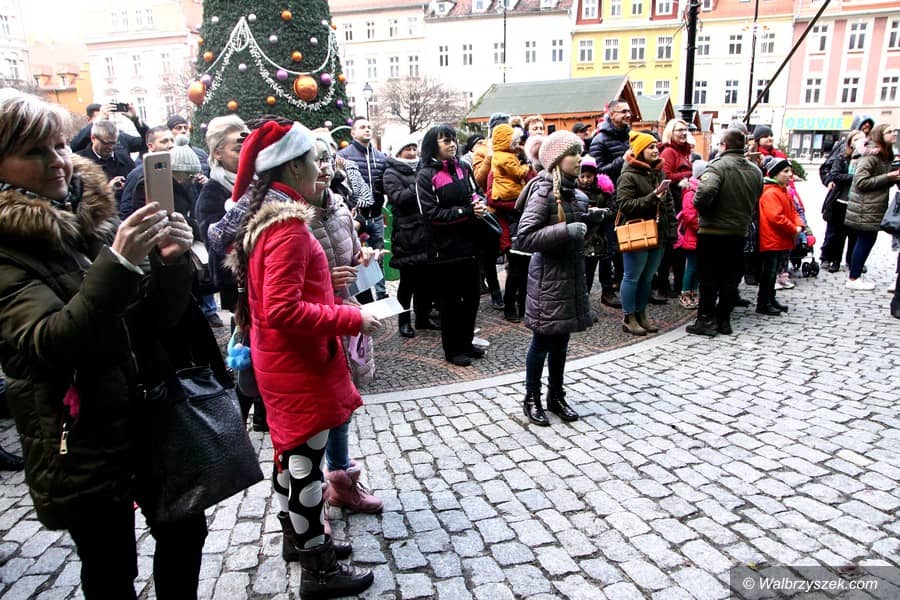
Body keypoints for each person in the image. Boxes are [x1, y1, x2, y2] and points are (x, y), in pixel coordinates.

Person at [0, 89, 204, 598]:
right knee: (111, 566)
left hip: (147, 411)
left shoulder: (89, 212)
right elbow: (49, 342)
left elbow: (155, 319)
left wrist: (171, 263)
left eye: (58, 145)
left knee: (185, 528)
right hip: (78, 433)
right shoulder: (8, 248)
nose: (57, 161)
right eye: (34, 152)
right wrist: (120, 263)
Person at [228, 120, 377, 598]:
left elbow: (275, 298)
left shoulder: (269, 220)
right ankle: (319, 568)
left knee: (290, 459)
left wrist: (325, 285)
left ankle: (300, 541)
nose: (320, 168)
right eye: (313, 159)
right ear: (292, 167)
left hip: (282, 362)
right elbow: (282, 309)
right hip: (298, 365)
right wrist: (352, 318)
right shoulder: (288, 228)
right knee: (305, 467)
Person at [517, 131, 601, 426]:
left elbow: (577, 238)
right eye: (573, 154)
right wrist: (566, 230)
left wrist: (590, 224)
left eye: (580, 152)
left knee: (562, 341)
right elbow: (525, 237)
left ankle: (556, 395)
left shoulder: (578, 195)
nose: (580, 159)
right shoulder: (543, 193)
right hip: (547, 281)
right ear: (556, 160)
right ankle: (531, 398)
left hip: (571, 277)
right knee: (542, 341)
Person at [416, 124, 486, 367]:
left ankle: (466, 342)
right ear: (433, 145)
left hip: (470, 245)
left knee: (472, 298)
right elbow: (431, 214)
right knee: (450, 302)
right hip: (444, 250)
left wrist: (478, 204)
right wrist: (466, 212)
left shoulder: (463, 167)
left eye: (453, 139)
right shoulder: (426, 175)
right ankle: (453, 348)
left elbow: (474, 193)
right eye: (446, 140)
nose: (452, 144)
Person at [686, 129, 763, 337]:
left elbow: (705, 191)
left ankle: (705, 319)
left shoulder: (718, 167)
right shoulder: (755, 171)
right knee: (730, 278)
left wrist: (699, 205)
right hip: (738, 231)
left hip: (713, 230)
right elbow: (757, 198)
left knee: (708, 278)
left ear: (724, 145)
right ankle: (723, 320)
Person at [616, 131, 677, 336]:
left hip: (658, 233)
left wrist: (671, 230)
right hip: (637, 232)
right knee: (632, 277)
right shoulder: (628, 175)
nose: (655, 150)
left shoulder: (659, 172)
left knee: (647, 278)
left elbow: (669, 204)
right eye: (650, 147)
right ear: (640, 151)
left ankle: (641, 313)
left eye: (655, 146)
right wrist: (653, 197)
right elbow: (625, 205)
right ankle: (629, 317)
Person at [384, 137, 434, 337]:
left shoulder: (422, 168)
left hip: (426, 233)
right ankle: (404, 321)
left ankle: (423, 318)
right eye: (408, 149)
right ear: (399, 152)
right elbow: (397, 198)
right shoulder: (391, 173)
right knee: (408, 283)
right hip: (407, 235)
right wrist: (419, 186)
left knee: (426, 281)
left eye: (414, 148)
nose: (413, 153)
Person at [844, 124, 900, 290]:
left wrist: (891, 178)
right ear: (880, 135)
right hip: (865, 206)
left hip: (873, 206)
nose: (893, 134)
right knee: (864, 241)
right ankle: (853, 278)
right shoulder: (870, 155)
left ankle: (855, 275)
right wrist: (888, 177)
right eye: (889, 132)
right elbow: (861, 182)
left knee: (866, 240)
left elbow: (881, 182)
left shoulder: (885, 154)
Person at [338, 117, 388, 299]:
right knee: (356, 258)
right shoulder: (343, 156)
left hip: (376, 215)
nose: (367, 130)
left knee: (378, 255)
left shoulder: (381, 157)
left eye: (369, 127)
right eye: (362, 127)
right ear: (353, 132)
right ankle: (362, 298)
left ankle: (381, 294)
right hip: (355, 218)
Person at [491, 123, 533, 312]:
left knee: (525, 270)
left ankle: (523, 306)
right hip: (511, 225)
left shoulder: (512, 158)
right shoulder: (503, 162)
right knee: (516, 270)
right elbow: (493, 199)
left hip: (522, 222)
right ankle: (510, 307)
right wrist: (518, 205)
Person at [757, 157, 803, 315]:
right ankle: (764, 302)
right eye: (786, 171)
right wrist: (794, 228)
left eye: (790, 171)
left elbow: (794, 211)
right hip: (772, 240)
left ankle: (770, 299)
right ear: (775, 174)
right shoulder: (771, 193)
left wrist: (799, 224)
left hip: (781, 239)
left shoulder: (783, 191)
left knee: (773, 272)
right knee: (769, 274)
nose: (790, 174)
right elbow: (776, 217)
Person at [656, 118, 694, 302]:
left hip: (682, 202)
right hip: (672, 204)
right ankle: (664, 286)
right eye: (679, 130)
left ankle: (678, 284)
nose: (683, 133)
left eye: (685, 129)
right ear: (671, 132)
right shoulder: (669, 151)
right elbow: (667, 176)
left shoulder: (685, 152)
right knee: (670, 248)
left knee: (679, 247)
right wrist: (689, 174)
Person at [577, 156, 618, 308]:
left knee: (606, 265)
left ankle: (607, 292)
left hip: (602, 235)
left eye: (589, 176)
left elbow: (613, 210)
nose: (585, 180)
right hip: (585, 237)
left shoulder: (603, 192)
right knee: (587, 269)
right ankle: (584, 299)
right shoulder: (575, 192)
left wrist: (601, 213)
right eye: (582, 176)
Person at [821, 130, 864, 273]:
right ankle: (835, 260)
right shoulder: (842, 158)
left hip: (857, 202)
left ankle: (852, 261)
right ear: (850, 142)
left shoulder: (866, 159)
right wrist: (854, 177)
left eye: (862, 139)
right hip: (840, 200)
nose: (859, 142)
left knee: (854, 235)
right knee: (837, 235)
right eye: (856, 139)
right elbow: (835, 175)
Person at [119, 125, 176, 218]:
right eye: (164, 141)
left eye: (172, 140)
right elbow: (126, 211)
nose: (171, 145)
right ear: (150, 146)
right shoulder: (137, 175)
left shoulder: (178, 171)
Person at [75, 119, 135, 205]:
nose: (110, 147)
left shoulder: (125, 159)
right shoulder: (80, 163)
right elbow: (78, 199)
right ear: (93, 138)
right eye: (106, 143)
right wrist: (107, 190)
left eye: (113, 143)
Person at [674, 160, 704, 310]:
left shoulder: (698, 190)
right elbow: (689, 215)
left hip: (698, 235)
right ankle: (685, 294)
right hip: (693, 235)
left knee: (697, 267)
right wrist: (702, 227)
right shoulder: (691, 192)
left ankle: (694, 293)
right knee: (691, 267)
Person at [70, 102, 148, 154]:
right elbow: (73, 147)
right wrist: (97, 122)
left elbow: (148, 142)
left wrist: (136, 120)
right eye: (100, 120)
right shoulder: (83, 140)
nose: (110, 146)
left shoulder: (120, 137)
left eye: (105, 119)